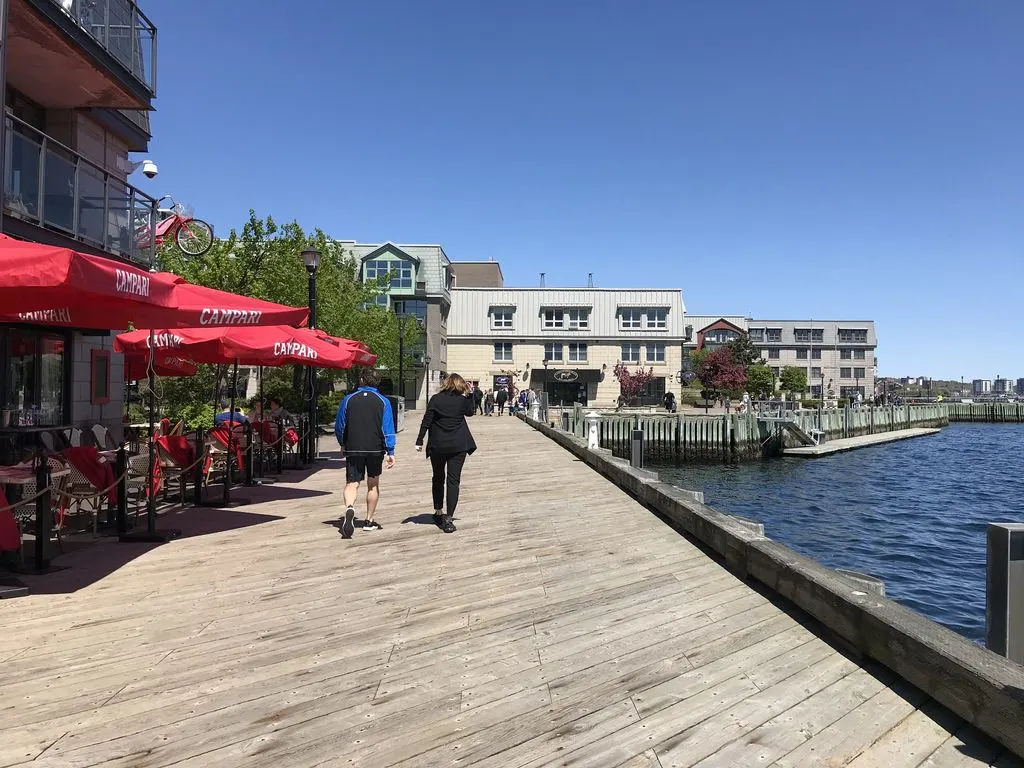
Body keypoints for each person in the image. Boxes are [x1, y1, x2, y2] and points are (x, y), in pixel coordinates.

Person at [334, 369, 396, 537]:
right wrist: (391, 450)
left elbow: (340, 426)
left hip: (353, 446)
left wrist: (342, 443)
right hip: (375, 447)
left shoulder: (348, 399)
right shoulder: (383, 401)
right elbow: (388, 428)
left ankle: (349, 507)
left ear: (361, 380)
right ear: (378, 382)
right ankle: (369, 521)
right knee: (373, 484)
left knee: (352, 483)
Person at [415, 373, 477, 533]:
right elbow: (471, 412)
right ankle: (449, 518)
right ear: (460, 385)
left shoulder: (435, 399)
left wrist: (420, 439)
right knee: (453, 481)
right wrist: (470, 394)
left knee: (437, 478)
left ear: (446, 383)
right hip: (458, 446)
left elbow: (427, 420)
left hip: (438, 445)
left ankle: (438, 511)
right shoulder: (462, 401)